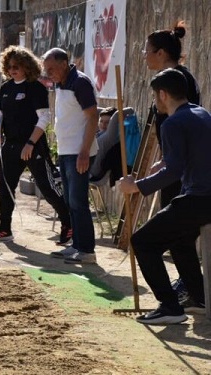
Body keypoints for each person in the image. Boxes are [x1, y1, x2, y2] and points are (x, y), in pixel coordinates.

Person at [119, 69, 209, 324]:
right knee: (180, 241)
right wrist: (164, 163)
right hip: (204, 196)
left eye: (155, 97)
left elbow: (175, 171)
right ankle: (200, 298)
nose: (155, 102)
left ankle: (170, 307)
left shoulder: (172, 123)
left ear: (163, 94)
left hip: (199, 198)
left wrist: (136, 186)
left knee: (143, 242)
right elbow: (185, 158)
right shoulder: (201, 113)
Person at [0, 46, 72, 245]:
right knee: (5, 188)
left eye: (17, 66)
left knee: (47, 187)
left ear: (27, 66)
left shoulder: (35, 88)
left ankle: (68, 223)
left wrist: (30, 143)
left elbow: (44, 118)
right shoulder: (6, 88)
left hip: (33, 147)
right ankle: (4, 228)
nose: (12, 69)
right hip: (10, 147)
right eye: (9, 66)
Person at [143, 21, 203, 306]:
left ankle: (191, 292)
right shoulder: (173, 80)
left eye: (148, 50)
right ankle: (194, 290)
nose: (144, 55)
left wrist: (142, 184)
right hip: (181, 169)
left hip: (189, 180)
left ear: (162, 53)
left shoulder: (178, 82)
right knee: (179, 239)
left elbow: (184, 132)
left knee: (173, 237)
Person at [42, 48, 98, 265]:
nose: (49, 74)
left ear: (64, 63)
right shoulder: (61, 82)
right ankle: (76, 245)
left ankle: (87, 250)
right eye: (46, 70)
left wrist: (84, 152)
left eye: (52, 69)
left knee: (78, 201)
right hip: (66, 151)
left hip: (78, 152)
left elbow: (93, 117)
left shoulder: (80, 82)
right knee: (69, 200)